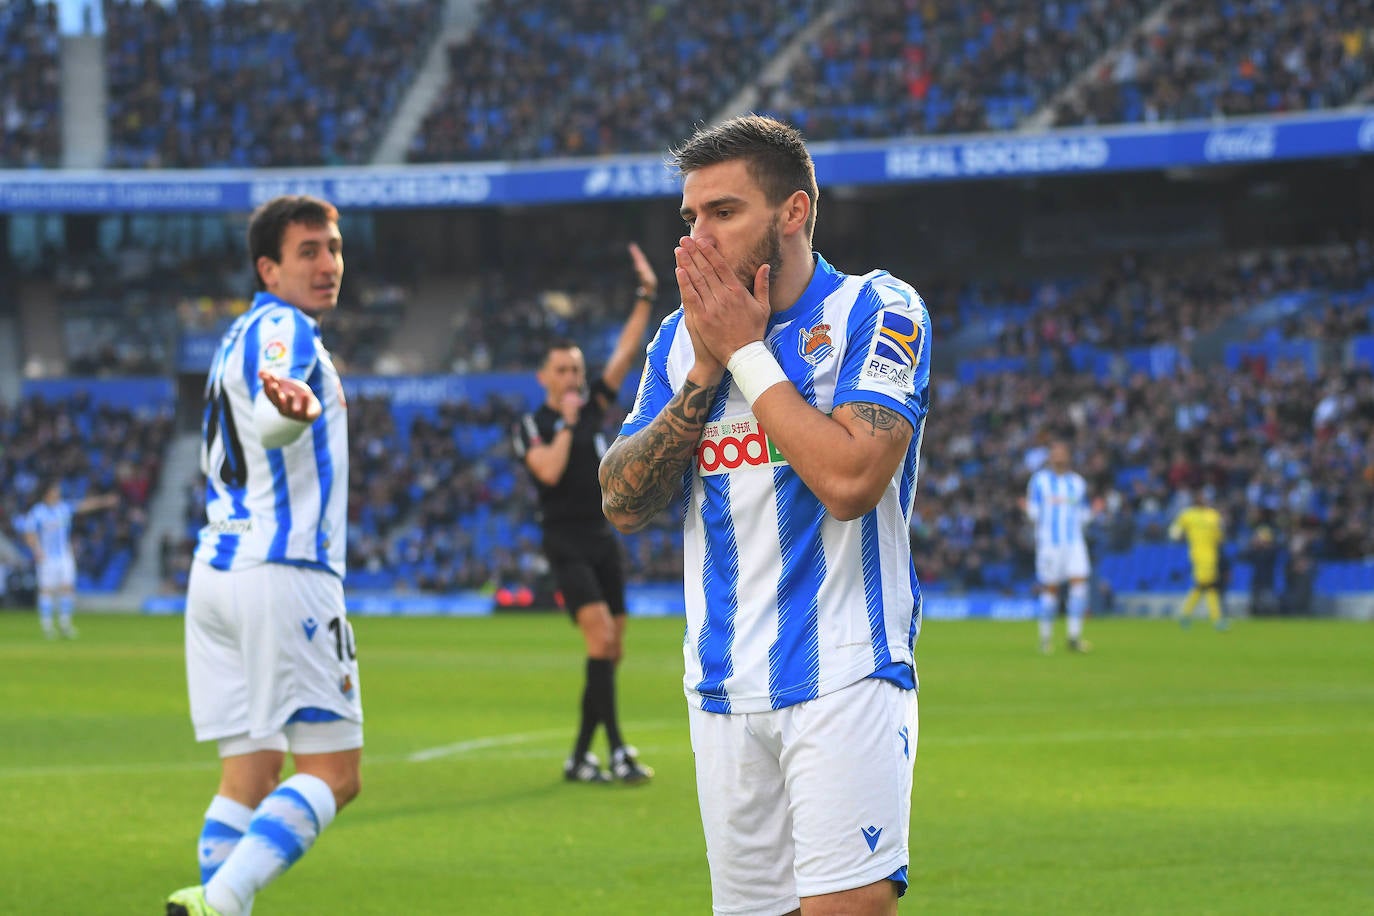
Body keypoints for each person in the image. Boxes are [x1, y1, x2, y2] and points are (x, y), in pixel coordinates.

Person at [600, 115, 927, 916]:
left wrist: (746, 354)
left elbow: (851, 480)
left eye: (723, 212)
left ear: (794, 212)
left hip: (843, 672)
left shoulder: (876, 310)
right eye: (690, 218)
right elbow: (621, 500)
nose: (698, 237)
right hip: (720, 688)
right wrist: (704, 373)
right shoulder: (680, 342)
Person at [165, 195, 361, 916]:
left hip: (216, 573)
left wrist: (283, 412)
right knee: (335, 772)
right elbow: (278, 413)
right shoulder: (286, 329)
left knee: (247, 775)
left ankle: (219, 903)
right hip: (286, 572)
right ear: (268, 268)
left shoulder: (236, 334)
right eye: (308, 251)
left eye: (333, 248)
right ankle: (220, 900)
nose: (328, 264)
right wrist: (289, 412)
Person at [512, 243, 657, 784]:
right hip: (565, 540)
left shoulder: (593, 405)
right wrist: (571, 424)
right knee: (601, 641)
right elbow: (546, 473)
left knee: (612, 648)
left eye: (576, 367)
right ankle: (617, 751)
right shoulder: (535, 425)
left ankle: (579, 757)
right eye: (562, 369)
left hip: (602, 535)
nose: (573, 376)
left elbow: (623, 353)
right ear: (543, 377)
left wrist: (645, 296)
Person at [18, 481, 117, 638]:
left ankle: (65, 624)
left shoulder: (63, 508)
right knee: (47, 591)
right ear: (47, 494)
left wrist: (104, 501)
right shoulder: (37, 512)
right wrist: (36, 550)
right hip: (46, 557)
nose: (57, 494)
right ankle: (47, 626)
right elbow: (29, 533)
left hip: (64, 555)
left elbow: (84, 505)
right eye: (55, 491)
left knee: (67, 588)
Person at [1025, 440, 1093, 653]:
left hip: (1074, 542)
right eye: (1055, 452)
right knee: (1050, 588)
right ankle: (1045, 640)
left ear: (1068, 456)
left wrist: (1094, 513)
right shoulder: (1039, 481)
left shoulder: (1078, 483)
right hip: (1049, 544)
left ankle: (1074, 637)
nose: (1059, 456)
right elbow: (1033, 512)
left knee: (1079, 584)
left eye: (1062, 452)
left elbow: (1083, 515)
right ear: (1050, 457)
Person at [1169, 486, 1228, 630]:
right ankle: (1217, 619)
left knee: (1203, 586)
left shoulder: (1213, 515)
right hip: (1198, 554)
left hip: (1212, 555)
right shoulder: (1188, 515)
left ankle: (1185, 614)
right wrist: (1177, 536)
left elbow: (1220, 537)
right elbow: (1175, 530)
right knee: (1210, 586)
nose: (1203, 499)